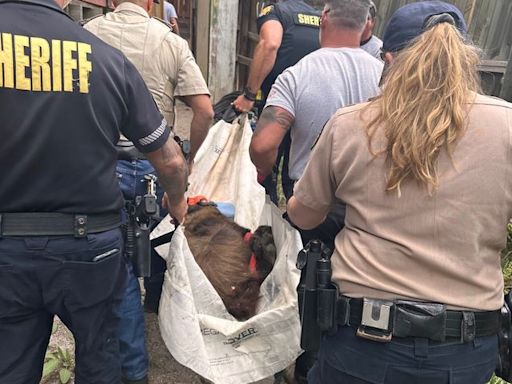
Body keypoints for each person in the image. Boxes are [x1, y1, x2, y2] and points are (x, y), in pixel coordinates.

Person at [287, 1, 511, 383]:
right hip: (465, 348)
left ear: (387, 58)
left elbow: (304, 215)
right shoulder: (507, 125)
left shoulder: (350, 124)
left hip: (361, 343)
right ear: (465, 58)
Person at [0, 0, 188, 383]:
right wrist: (178, 200)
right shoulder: (106, 58)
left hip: (7, 245)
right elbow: (169, 160)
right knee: (100, 357)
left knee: (10, 364)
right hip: (91, 245)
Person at [84, 1, 212, 383]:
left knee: (118, 259)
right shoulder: (170, 42)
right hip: (157, 161)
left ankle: (128, 359)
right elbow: (203, 110)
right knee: (163, 235)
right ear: (153, 3)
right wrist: (191, 159)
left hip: (104, 161)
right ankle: (159, 306)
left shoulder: (88, 33)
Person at [250, 0, 382, 249]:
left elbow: (262, 146)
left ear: (324, 18)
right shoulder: (387, 77)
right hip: (367, 206)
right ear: (366, 25)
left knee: (304, 277)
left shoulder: (296, 75)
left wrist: (265, 171)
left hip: (309, 205)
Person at [233, 0, 321, 203]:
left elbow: (270, 44)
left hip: (280, 104)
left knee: (263, 158)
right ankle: (293, 217)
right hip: (312, 106)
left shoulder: (275, 12)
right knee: (298, 170)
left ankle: (261, 204)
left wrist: (248, 95)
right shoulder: (318, 19)